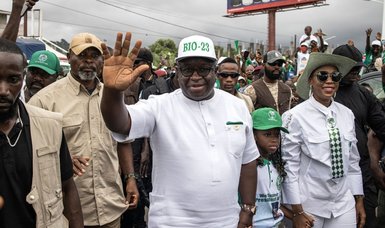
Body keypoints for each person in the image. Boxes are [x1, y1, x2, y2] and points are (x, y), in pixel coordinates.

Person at [101, 32, 259, 227]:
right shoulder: (159, 106)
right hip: (171, 222)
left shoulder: (237, 106)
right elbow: (120, 123)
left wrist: (248, 208)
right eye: (187, 69)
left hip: (227, 220)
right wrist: (112, 91)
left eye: (203, 69)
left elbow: (248, 160)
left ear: (215, 71)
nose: (195, 76)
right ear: (176, 70)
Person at [28, 32, 139, 227]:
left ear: (102, 60)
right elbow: (29, 152)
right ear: (70, 56)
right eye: (82, 56)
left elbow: (123, 141)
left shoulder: (112, 97)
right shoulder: (43, 101)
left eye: (94, 56)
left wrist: (130, 178)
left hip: (110, 208)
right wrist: (61, 161)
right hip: (66, 213)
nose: (88, 62)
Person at [0, 38, 83, 227]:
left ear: (21, 78)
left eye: (12, 79)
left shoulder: (50, 125)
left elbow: (68, 187)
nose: (3, 90)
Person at [281, 52, 365, 228]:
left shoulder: (346, 114)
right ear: (311, 80)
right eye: (322, 76)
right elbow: (290, 167)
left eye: (335, 76)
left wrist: (358, 199)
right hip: (308, 205)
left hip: (343, 203)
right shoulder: (294, 117)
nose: (329, 81)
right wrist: (297, 211)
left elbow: (353, 162)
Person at [333, 44, 385, 228]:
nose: (357, 73)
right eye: (352, 68)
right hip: (330, 180)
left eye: (359, 68)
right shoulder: (321, 94)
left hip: (362, 174)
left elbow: (382, 126)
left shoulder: (364, 94)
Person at [251, 107, 291, 227]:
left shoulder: (277, 163)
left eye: (277, 134)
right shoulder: (248, 166)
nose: (274, 140)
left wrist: (296, 215)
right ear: (253, 135)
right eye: (267, 134)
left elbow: (275, 204)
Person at [244, 50, 292, 115]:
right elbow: (246, 116)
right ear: (263, 65)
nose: (277, 67)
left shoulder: (287, 89)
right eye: (273, 64)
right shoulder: (251, 90)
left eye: (279, 64)